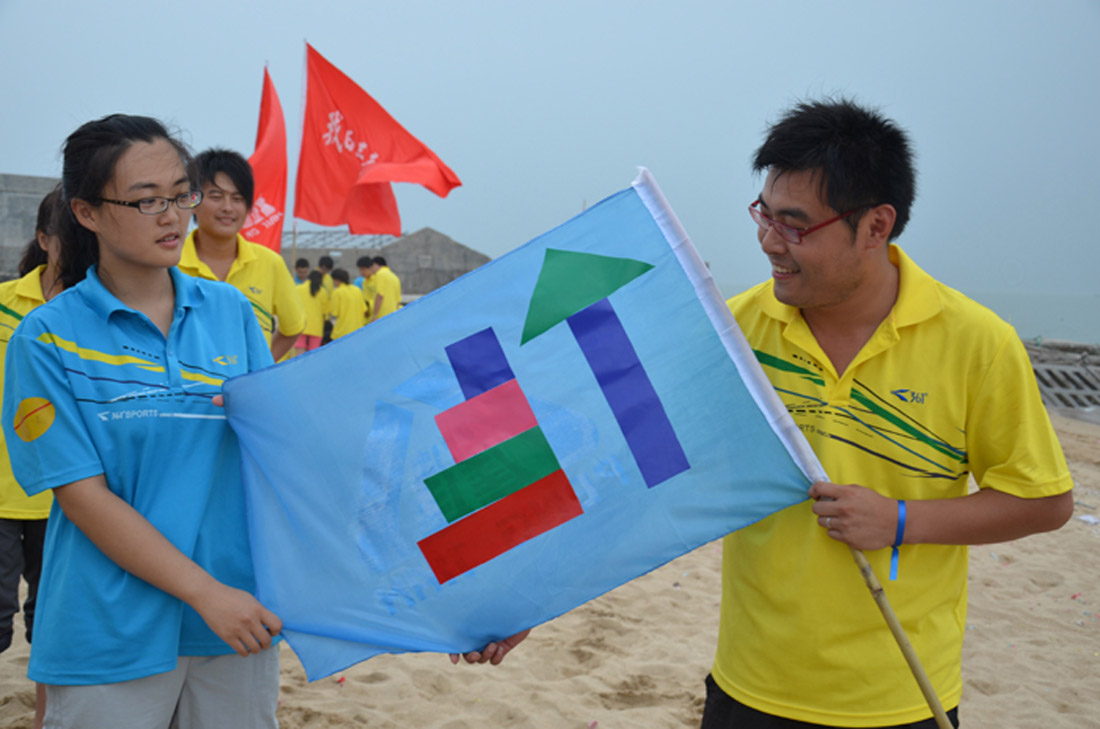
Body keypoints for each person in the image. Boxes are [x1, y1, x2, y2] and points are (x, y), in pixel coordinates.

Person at [703, 99, 1074, 728]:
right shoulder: (733, 331)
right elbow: (646, 475)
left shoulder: (976, 343)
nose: (769, 242)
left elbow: (1043, 501)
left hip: (900, 696)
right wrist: (522, 600)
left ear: (876, 226)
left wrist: (900, 520)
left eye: (795, 225)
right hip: (749, 687)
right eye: (764, 214)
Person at [2, 114, 282, 729]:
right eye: (146, 200)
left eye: (182, 194)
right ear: (86, 212)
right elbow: (82, 498)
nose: (173, 215)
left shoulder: (230, 312)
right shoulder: (46, 339)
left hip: (235, 622)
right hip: (109, 627)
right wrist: (203, 593)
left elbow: (278, 451)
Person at [0, 188, 65, 729]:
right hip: (0, 491)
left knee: (51, 622)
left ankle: (44, 720)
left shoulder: (93, 311)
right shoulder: (3, 303)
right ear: (43, 239)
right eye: (64, 233)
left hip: (68, 497)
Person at [177, 148, 305, 361]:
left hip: (247, 394)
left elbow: (293, 327)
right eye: (216, 197)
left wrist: (259, 368)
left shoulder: (269, 262)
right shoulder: (170, 263)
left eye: (237, 199)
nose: (228, 208)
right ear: (193, 201)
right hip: (188, 392)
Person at [294, 270, 330, 355]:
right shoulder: (323, 292)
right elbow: (325, 312)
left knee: (299, 353)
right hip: (317, 328)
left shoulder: (298, 288)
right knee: (314, 354)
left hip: (301, 325)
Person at [328, 268, 366, 340]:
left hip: (343, 332)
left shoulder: (337, 292)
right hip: (358, 331)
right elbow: (364, 309)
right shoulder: (357, 290)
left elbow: (333, 313)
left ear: (336, 280)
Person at [368, 255, 402, 322]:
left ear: (375, 264)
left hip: (382, 315)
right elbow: (398, 300)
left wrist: (374, 315)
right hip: (393, 315)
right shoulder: (394, 276)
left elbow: (380, 295)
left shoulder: (380, 274)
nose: (371, 269)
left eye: (372, 266)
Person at [356, 255, 375, 321]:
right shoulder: (364, 281)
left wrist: (368, 306)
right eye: (360, 270)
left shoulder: (377, 280)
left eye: (363, 270)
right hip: (366, 316)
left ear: (370, 268)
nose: (361, 273)